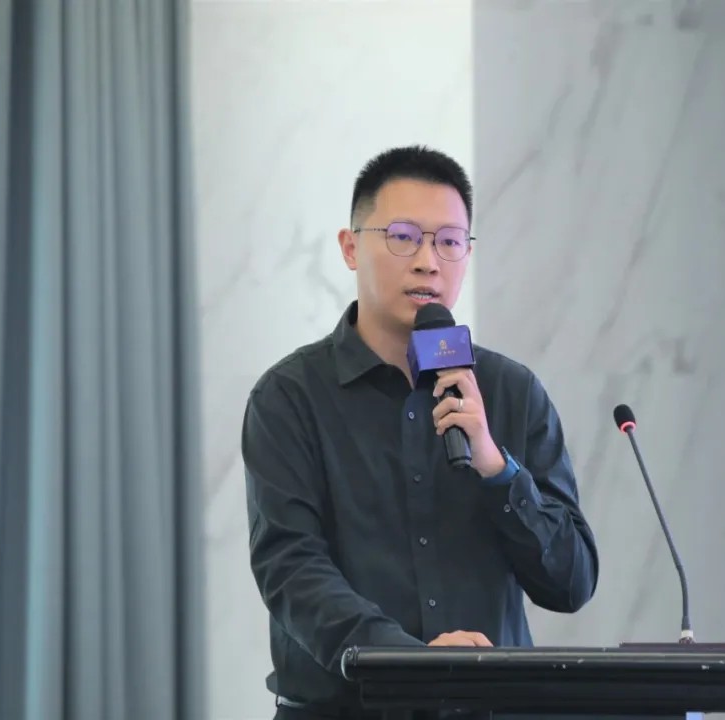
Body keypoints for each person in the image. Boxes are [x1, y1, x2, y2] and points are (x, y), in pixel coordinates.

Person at [242, 145, 600, 720]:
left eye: (449, 242)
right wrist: (406, 662)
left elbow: (571, 582)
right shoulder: (290, 398)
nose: (429, 262)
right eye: (403, 237)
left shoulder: (510, 391)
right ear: (350, 247)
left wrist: (496, 468)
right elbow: (291, 569)